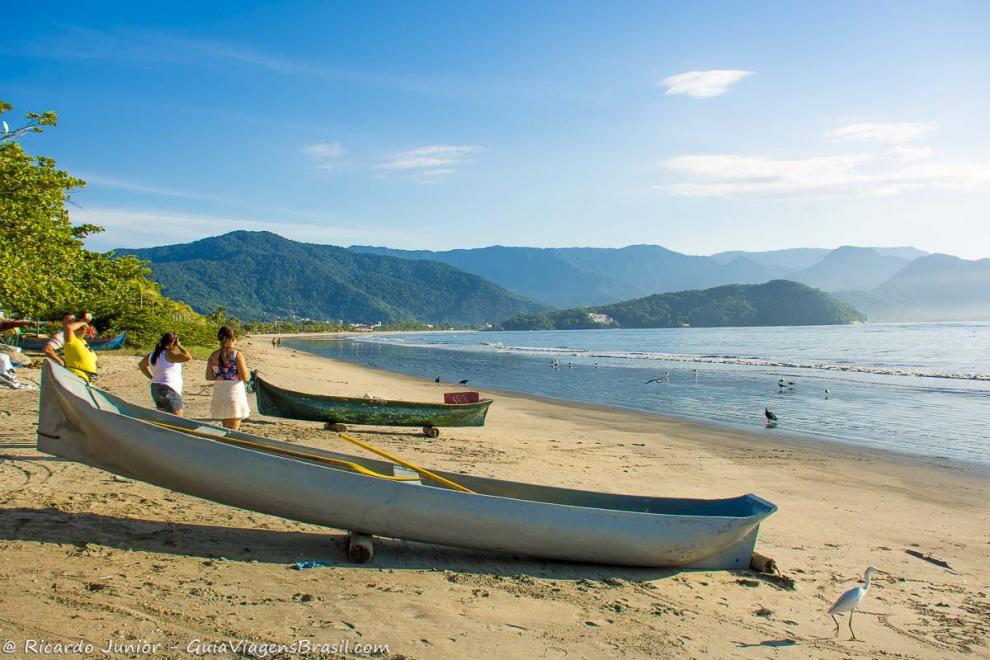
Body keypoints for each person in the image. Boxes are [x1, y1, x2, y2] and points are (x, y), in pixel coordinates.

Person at [206, 325, 250, 430]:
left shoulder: (213, 355)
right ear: (233, 338)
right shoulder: (236, 355)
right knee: (233, 432)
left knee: (225, 429)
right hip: (233, 392)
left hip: (220, 392)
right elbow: (245, 377)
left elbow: (209, 376)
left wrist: (221, 375)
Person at [139, 332, 191, 416]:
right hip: (169, 388)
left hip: (155, 387)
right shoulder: (169, 353)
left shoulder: (153, 354)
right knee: (178, 419)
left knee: (164, 417)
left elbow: (141, 365)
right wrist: (179, 346)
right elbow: (188, 357)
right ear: (173, 342)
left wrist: (152, 377)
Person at [62, 312, 97, 382]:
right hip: (77, 375)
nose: (83, 329)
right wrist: (83, 322)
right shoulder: (72, 340)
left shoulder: (83, 341)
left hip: (89, 376)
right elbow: (69, 328)